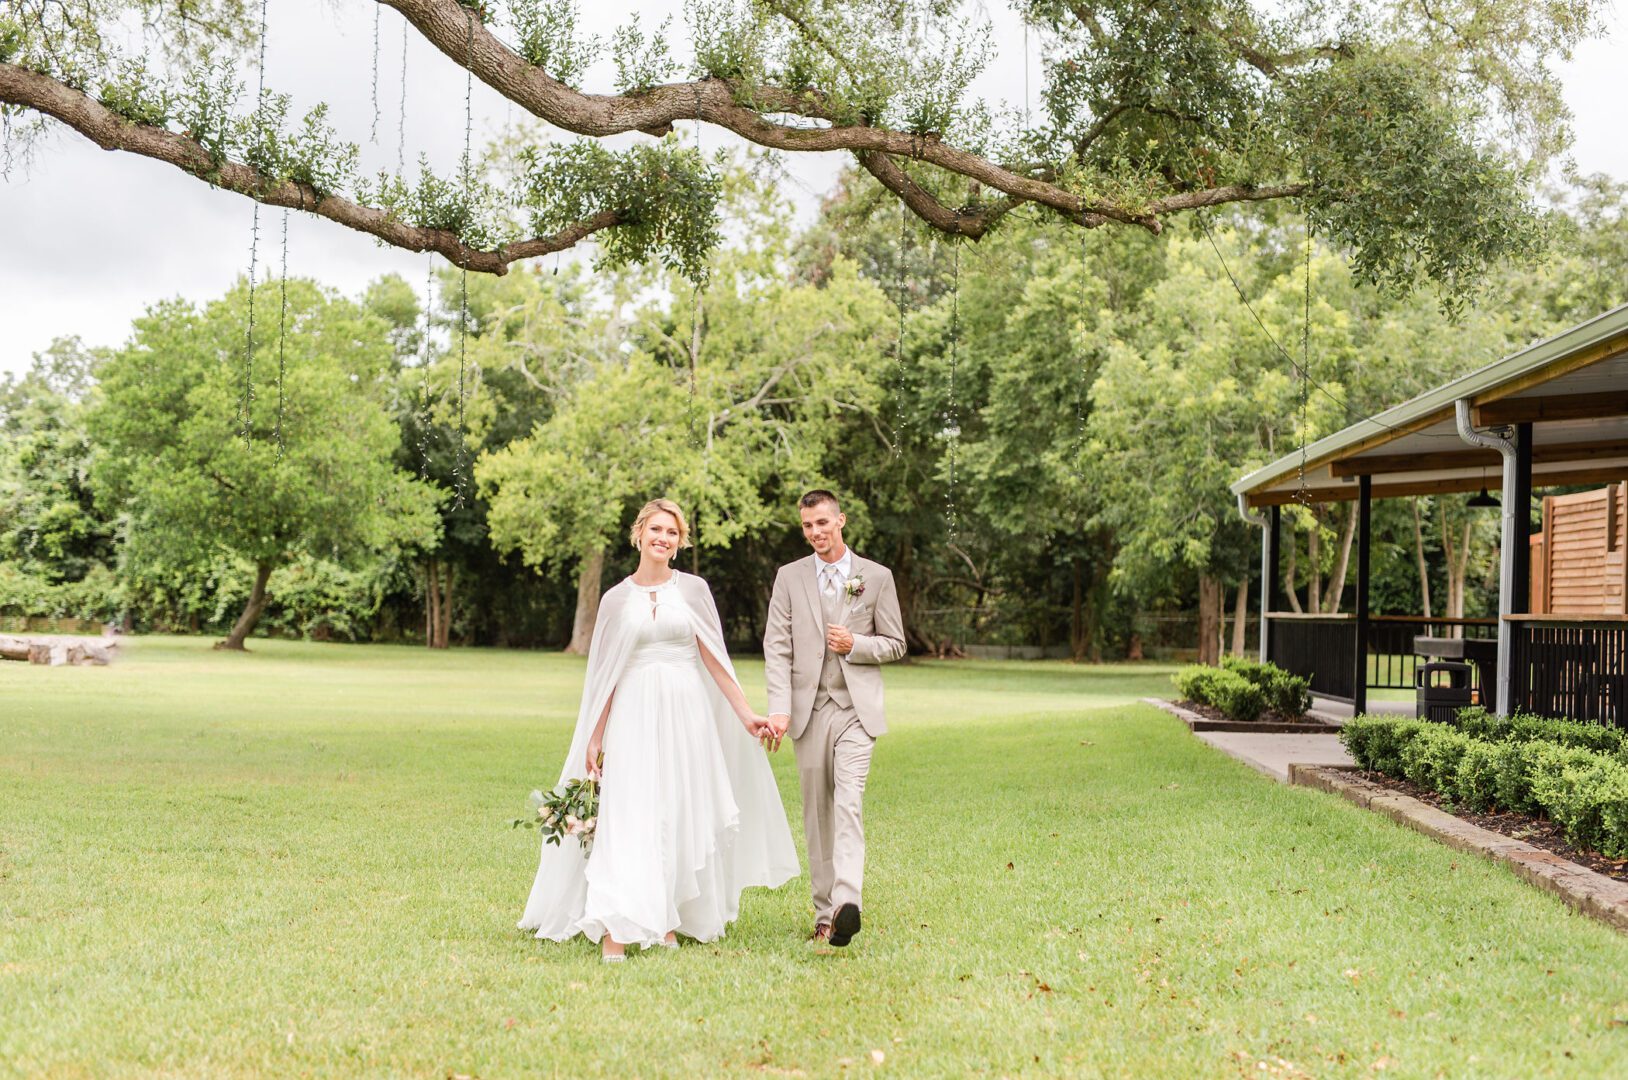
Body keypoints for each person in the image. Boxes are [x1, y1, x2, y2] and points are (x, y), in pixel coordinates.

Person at [519, 498, 799, 962]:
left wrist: (746, 713)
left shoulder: (693, 590)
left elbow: (715, 658)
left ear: (680, 541)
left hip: (686, 715)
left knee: (676, 811)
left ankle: (667, 916)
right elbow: (604, 674)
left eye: (672, 532)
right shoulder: (614, 599)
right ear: (639, 534)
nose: (663, 538)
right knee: (630, 814)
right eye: (655, 529)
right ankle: (616, 924)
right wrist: (594, 735)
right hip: (632, 714)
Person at [762, 490, 907, 947]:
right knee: (817, 814)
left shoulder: (876, 577)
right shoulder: (789, 577)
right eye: (807, 526)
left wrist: (857, 646)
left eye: (822, 523)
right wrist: (779, 710)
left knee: (847, 803)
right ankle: (824, 914)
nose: (815, 533)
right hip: (808, 712)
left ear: (840, 520)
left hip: (856, 713)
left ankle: (847, 905)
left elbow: (896, 643)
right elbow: (777, 647)